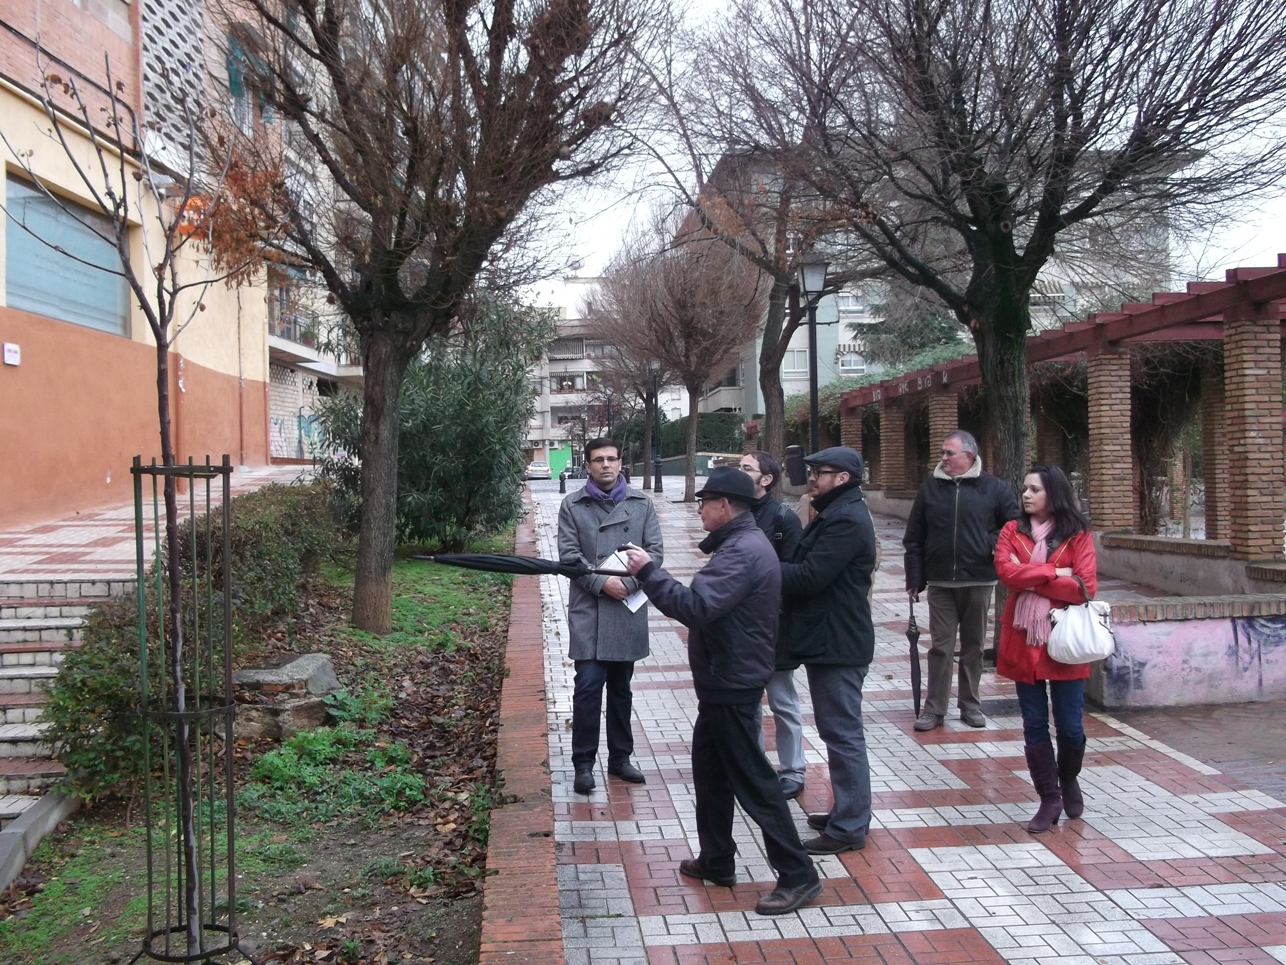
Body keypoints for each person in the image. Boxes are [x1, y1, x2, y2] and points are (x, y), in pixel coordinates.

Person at [621, 467, 822, 916]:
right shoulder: (741, 544)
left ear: (726, 506)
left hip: (733, 683)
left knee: (755, 782)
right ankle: (717, 859)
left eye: (705, 501)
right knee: (711, 774)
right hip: (723, 682)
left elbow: (695, 606)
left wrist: (649, 571)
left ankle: (799, 875)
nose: (699, 507)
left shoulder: (742, 552)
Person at [779, 446, 878, 856]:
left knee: (843, 734)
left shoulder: (847, 519)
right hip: (830, 640)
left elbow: (810, 576)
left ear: (842, 478)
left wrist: (759, 565)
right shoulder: (838, 513)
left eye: (820, 473)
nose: (813, 479)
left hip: (840, 643)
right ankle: (846, 812)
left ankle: (850, 825)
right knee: (838, 732)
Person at [558, 437, 663, 794]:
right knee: (587, 688)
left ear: (621, 463)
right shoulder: (572, 505)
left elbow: (655, 553)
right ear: (587, 465)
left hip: (625, 610)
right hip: (590, 609)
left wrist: (630, 586)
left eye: (612, 459)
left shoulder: (641, 504)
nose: (606, 465)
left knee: (621, 689)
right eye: (598, 460)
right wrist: (603, 584)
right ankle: (583, 764)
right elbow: (569, 557)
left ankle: (620, 758)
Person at [994, 465, 1096, 833]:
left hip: (1063, 641)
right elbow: (1007, 575)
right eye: (1024, 488)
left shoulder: (1078, 534)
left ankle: (1068, 777)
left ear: (1053, 493)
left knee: (1070, 728)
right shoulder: (1012, 530)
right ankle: (1049, 798)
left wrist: (1033, 576)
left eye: (1034, 489)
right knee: (1034, 724)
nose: (1025, 495)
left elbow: (1084, 588)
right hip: (1023, 639)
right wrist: (1057, 574)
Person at [903, 429, 1019, 731]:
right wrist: (914, 578)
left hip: (979, 580)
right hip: (940, 582)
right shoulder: (930, 489)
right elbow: (914, 538)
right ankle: (934, 709)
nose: (943, 458)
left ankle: (970, 705)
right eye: (943, 452)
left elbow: (1015, 526)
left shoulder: (993, 488)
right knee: (940, 646)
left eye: (949, 453)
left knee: (974, 646)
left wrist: (990, 544)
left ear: (969, 455)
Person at [737, 451, 807, 800]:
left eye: (746, 468)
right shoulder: (733, 510)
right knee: (747, 701)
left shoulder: (783, 518)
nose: (740, 471)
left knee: (782, 701)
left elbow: (795, 574)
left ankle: (793, 770)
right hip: (740, 626)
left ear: (766, 480)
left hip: (774, 625)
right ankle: (753, 767)